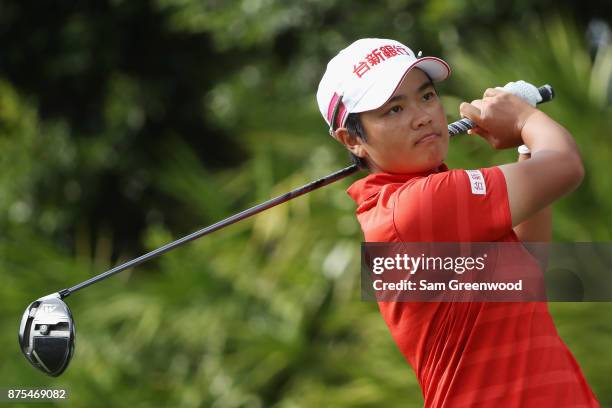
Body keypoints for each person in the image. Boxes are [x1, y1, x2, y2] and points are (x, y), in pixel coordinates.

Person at [316, 38, 600, 407]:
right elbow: (566, 166)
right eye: (394, 110)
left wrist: (524, 142)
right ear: (352, 138)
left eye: (427, 96)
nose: (423, 116)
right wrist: (523, 118)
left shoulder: (412, 205)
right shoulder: (414, 208)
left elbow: (529, 263)